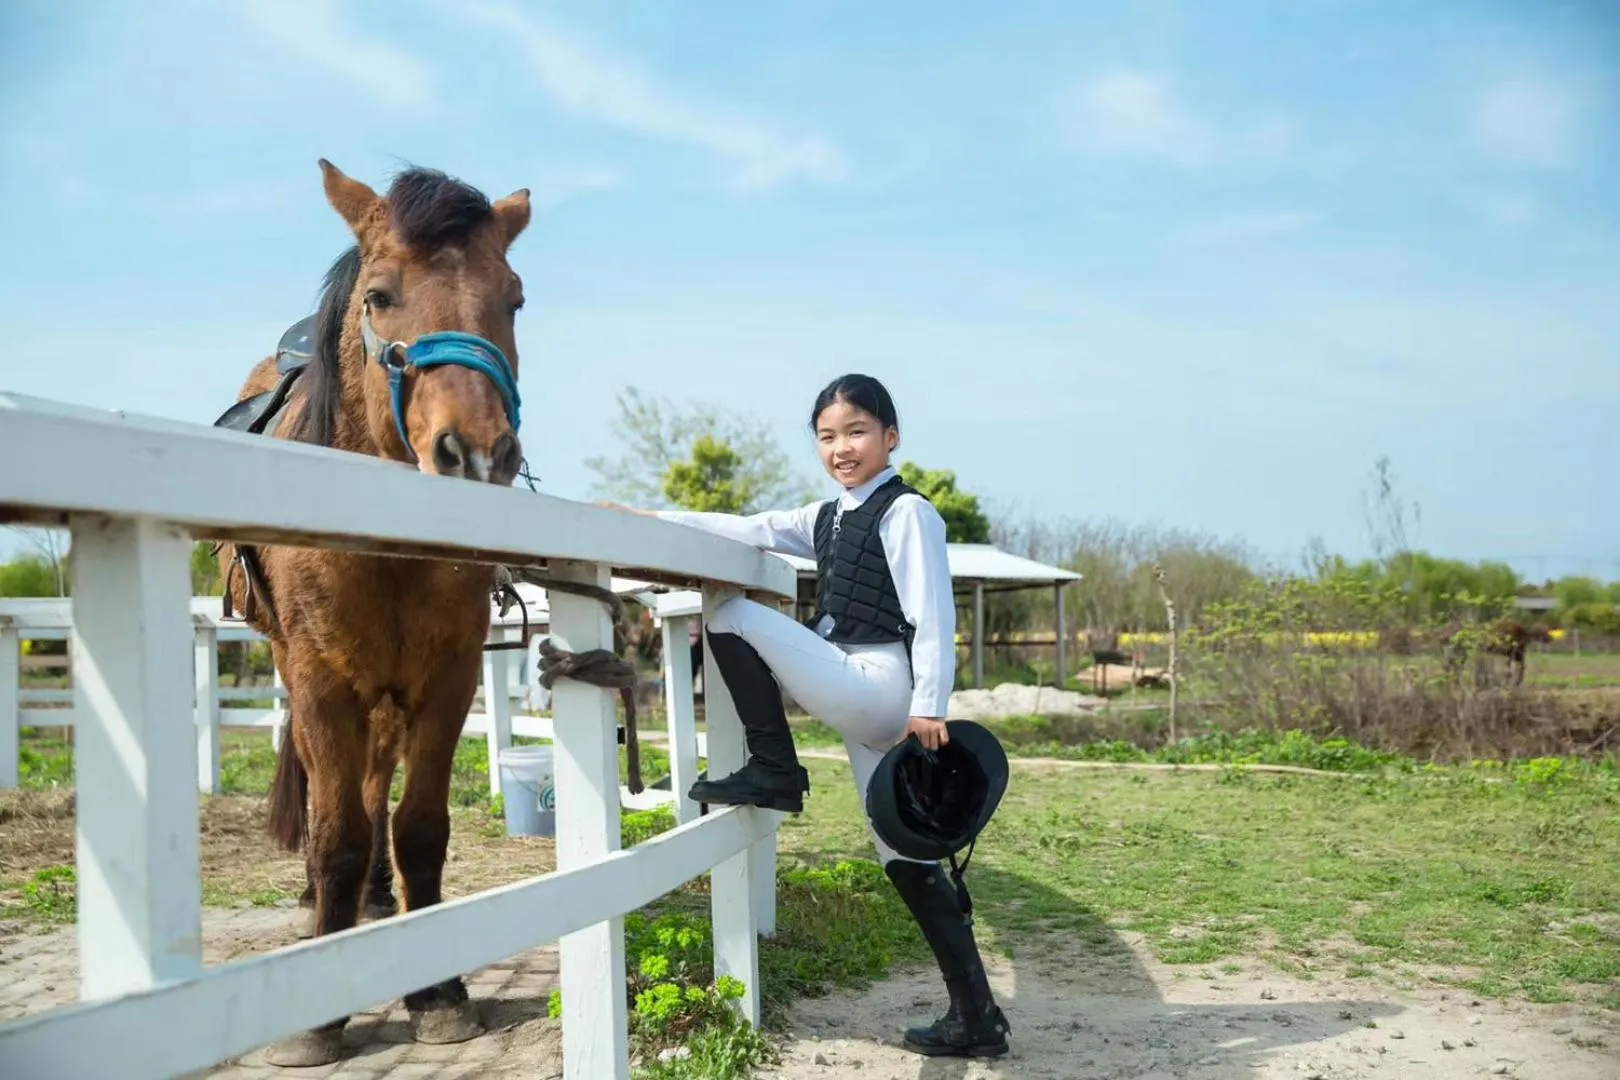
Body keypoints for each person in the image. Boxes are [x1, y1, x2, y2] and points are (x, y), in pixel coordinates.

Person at [600, 373, 1011, 1058]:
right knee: (905, 862)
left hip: (884, 689)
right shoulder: (829, 517)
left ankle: (774, 766)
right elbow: (745, 527)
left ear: (890, 436)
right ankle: (978, 1016)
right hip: (860, 697)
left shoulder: (908, 513)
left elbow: (932, 611)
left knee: (729, 613)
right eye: (827, 436)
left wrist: (931, 706)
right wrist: (645, 520)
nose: (841, 448)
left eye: (856, 432)